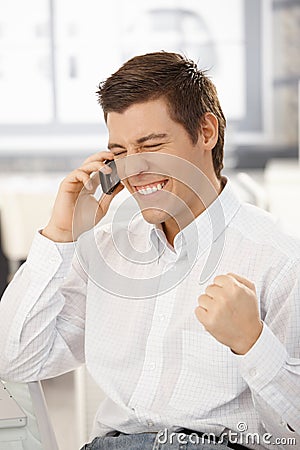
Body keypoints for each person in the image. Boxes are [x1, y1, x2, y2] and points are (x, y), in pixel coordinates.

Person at [0, 52, 299, 450]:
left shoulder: (277, 260)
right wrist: (60, 234)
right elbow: (16, 361)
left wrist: (253, 342)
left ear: (206, 132)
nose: (135, 169)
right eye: (120, 152)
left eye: (152, 144)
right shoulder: (107, 250)